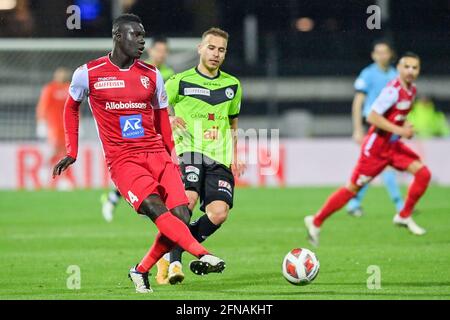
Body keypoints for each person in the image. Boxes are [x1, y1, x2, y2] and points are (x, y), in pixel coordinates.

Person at [52, 14, 225, 294]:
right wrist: (72, 150)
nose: (142, 40)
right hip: (123, 160)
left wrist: (172, 154)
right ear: (118, 37)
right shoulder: (88, 72)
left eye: (143, 34)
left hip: (156, 153)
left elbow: (161, 120)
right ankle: (203, 253)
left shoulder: (152, 74)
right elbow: (71, 107)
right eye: (136, 35)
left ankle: (140, 270)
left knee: (181, 214)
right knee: (155, 209)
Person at [305, 52, 431, 247]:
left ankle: (404, 215)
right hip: (375, 149)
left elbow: (395, 115)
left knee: (423, 174)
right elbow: (372, 117)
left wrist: (405, 126)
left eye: (415, 68)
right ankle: (316, 221)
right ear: (398, 68)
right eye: (407, 67)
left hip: (393, 146)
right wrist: (400, 130)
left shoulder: (412, 90)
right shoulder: (393, 90)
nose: (411, 71)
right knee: (352, 189)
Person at [154, 27, 245, 285]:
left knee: (219, 213)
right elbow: (152, 109)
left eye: (221, 50)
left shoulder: (232, 86)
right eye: (212, 48)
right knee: (188, 201)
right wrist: (170, 117)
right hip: (190, 152)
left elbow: (233, 123)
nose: (216, 54)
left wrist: (235, 154)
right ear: (200, 48)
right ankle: (174, 264)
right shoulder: (178, 82)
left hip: (219, 156)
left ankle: (169, 250)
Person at [100, 36, 175, 222]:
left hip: (157, 127)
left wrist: (171, 118)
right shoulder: (139, 69)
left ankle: (117, 197)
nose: (162, 54)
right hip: (137, 125)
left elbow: (167, 103)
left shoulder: (168, 73)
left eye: (165, 51)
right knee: (137, 166)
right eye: (159, 50)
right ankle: (118, 197)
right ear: (150, 51)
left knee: (154, 169)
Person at [349, 40, 404, 217]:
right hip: (373, 123)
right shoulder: (368, 74)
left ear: (390, 54)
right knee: (380, 165)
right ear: (373, 55)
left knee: (376, 165)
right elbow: (358, 102)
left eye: (385, 52)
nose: (382, 56)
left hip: (390, 126)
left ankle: (354, 202)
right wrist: (357, 128)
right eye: (378, 52)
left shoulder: (396, 74)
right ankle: (400, 205)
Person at [36, 67, 76, 189]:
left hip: (67, 125)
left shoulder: (70, 87)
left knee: (66, 152)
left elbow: (75, 105)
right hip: (54, 126)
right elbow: (43, 106)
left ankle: (63, 178)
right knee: (57, 150)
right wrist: (41, 122)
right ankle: (45, 169)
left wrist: (79, 122)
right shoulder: (50, 88)